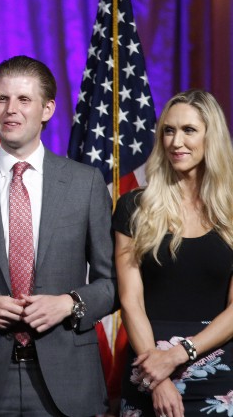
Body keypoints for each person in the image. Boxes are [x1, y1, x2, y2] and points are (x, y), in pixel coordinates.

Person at [0, 55, 116, 416]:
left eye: (23, 100)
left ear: (47, 109)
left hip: (66, 379)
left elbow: (113, 282)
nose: (10, 110)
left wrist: (70, 303)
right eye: (2, 99)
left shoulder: (86, 183)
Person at [113, 89, 233, 417]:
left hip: (219, 373)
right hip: (146, 364)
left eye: (189, 130)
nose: (176, 141)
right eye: (169, 130)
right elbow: (130, 300)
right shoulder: (134, 207)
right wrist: (156, 376)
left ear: (213, 137)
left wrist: (179, 354)